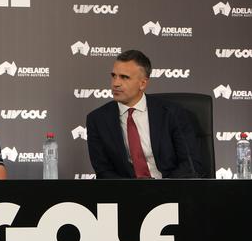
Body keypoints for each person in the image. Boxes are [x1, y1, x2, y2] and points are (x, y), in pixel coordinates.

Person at [86, 50, 203, 179]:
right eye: (114, 76)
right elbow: (103, 171)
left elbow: (191, 163)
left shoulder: (172, 113)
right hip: (125, 194)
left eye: (124, 77)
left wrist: (161, 188)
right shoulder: (97, 119)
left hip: (170, 189)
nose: (115, 83)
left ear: (142, 83)